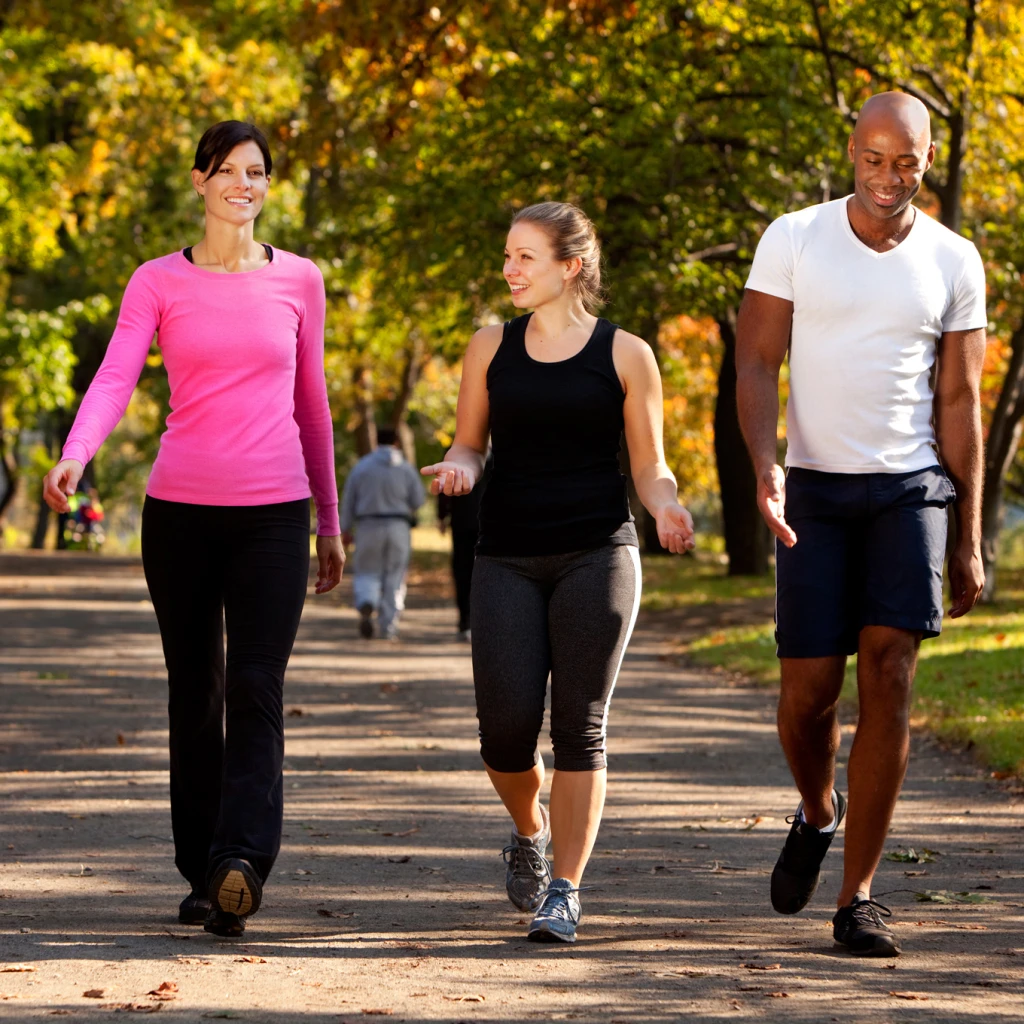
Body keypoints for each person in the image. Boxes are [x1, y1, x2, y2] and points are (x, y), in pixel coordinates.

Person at [42, 121, 344, 939]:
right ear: (199, 181)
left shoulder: (301, 281)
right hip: (178, 515)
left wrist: (328, 517)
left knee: (255, 686)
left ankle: (241, 861)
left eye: (259, 173)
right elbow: (114, 376)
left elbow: (311, 406)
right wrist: (76, 456)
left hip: (274, 516)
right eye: (231, 171)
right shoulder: (155, 282)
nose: (246, 184)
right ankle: (201, 868)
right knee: (195, 691)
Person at [736, 92, 987, 957]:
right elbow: (758, 360)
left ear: (924, 160)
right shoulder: (794, 236)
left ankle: (860, 897)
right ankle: (817, 809)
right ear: (852, 150)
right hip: (814, 490)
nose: (888, 177)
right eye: (874, 159)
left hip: (910, 490)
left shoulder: (956, 260)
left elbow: (959, 401)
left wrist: (968, 533)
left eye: (905, 161)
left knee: (890, 675)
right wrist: (766, 465)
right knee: (807, 698)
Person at [421, 201, 695, 943]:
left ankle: (565, 891)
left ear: (569, 266)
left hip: (598, 552)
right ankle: (529, 825)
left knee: (580, 727)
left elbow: (650, 464)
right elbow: (471, 444)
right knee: (505, 734)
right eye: (507, 256)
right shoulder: (489, 347)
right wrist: (457, 468)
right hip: (506, 553)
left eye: (524, 257)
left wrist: (666, 507)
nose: (509, 269)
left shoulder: (627, 354)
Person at [340, 427, 426, 640]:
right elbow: (418, 500)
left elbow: (349, 499)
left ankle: (366, 601)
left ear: (376, 440)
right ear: (397, 442)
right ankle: (388, 626)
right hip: (398, 526)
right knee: (395, 576)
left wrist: (345, 529)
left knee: (367, 570)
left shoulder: (362, 467)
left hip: (368, 525)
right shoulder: (406, 469)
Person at [436, 452, 491, 641]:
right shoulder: (459, 453)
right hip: (470, 523)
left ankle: (474, 620)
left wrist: (442, 515)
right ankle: (467, 620)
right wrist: (442, 515)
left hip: (481, 524)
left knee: (476, 572)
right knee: (464, 571)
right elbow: (444, 486)